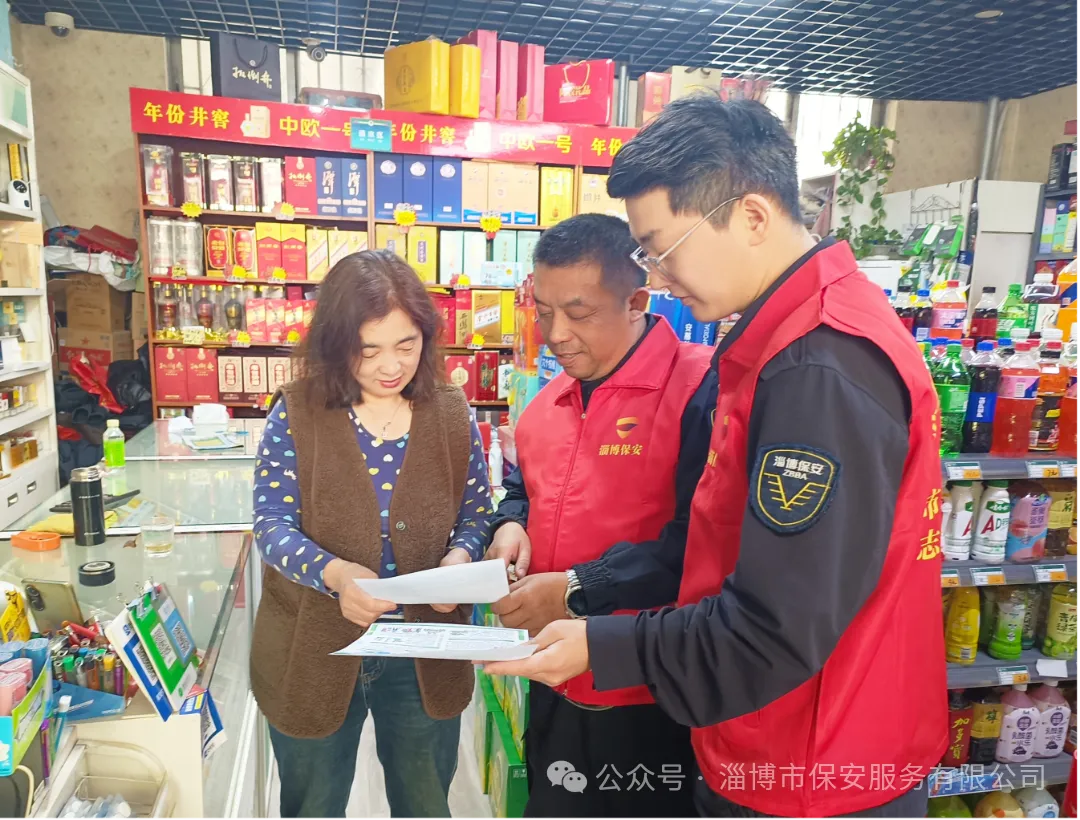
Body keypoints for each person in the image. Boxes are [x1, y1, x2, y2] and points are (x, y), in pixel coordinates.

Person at [485, 96, 947, 820]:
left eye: (662, 249)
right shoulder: (783, 341)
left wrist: (601, 641)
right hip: (778, 740)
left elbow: (776, 626)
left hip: (810, 768)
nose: (661, 278)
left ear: (752, 217)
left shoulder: (817, 369)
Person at [485, 213, 716, 819]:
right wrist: (510, 524)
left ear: (637, 301)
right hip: (554, 682)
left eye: (579, 313)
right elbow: (523, 489)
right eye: (544, 312)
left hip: (653, 693)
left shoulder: (701, 391)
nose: (556, 334)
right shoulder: (546, 403)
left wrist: (576, 587)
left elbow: (702, 544)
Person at [249, 250, 493, 820]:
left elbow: (477, 513)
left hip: (421, 647)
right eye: (369, 349)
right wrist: (335, 574)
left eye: (407, 345)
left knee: (425, 802)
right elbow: (272, 523)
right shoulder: (297, 412)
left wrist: (460, 558)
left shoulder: (451, 412)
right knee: (313, 804)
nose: (391, 366)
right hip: (315, 645)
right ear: (336, 344)